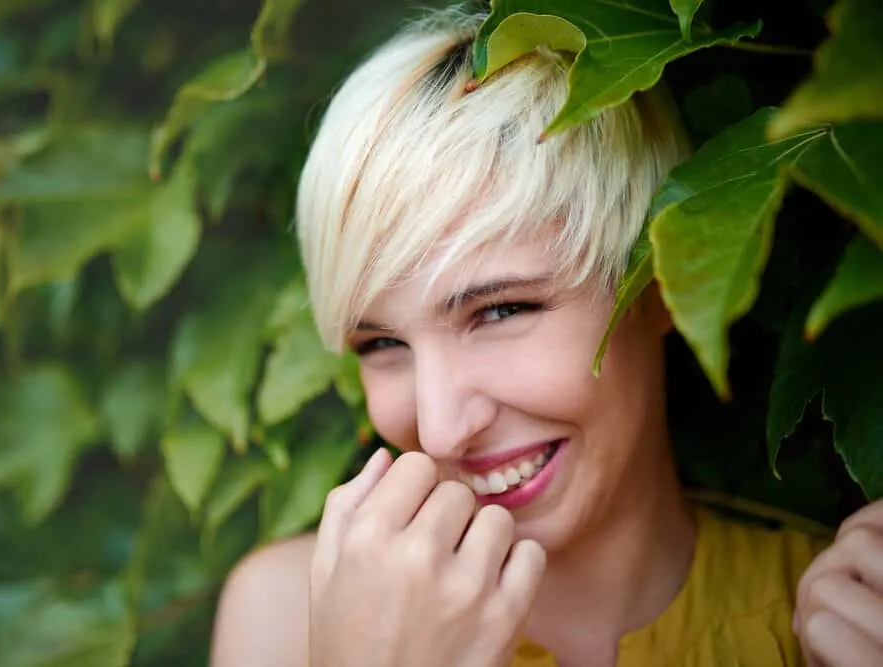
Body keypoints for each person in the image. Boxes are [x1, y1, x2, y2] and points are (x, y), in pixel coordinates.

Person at [210, 6, 883, 667]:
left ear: (654, 285)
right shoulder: (286, 617)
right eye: (380, 344)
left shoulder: (840, 624)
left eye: (499, 311)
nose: (441, 430)